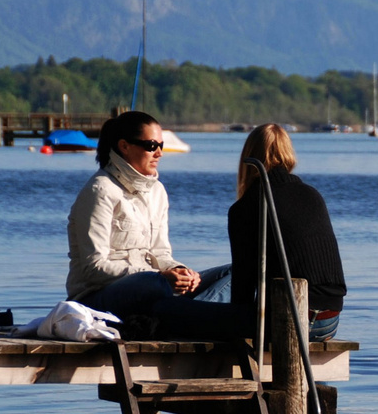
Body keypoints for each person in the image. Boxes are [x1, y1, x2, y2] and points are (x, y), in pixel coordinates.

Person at [67, 110, 235, 339]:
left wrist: (181, 272)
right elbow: (92, 269)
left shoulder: (157, 191)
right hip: (96, 298)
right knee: (154, 284)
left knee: (236, 272)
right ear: (124, 146)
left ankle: (187, 316)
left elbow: (161, 253)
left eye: (161, 146)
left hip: (154, 287)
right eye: (151, 145)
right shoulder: (100, 191)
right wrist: (160, 276)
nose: (159, 153)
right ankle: (193, 316)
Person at [228, 124, 346, 341]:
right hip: (329, 321)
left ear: (248, 156)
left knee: (171, 311)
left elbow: (242, 287)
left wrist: (235, 323)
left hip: (288, 316)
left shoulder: (246, 207)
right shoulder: (312, 195)